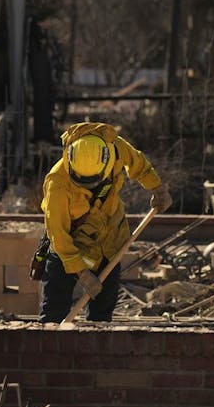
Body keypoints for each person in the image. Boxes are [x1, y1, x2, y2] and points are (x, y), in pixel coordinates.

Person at [40, 122, 172, 322]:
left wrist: (158, 190)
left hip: (108, 240)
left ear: (106, 160)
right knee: (53, 313)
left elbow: (139, 164)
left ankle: (97, 343)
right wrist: (82, 274)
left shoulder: (115, 147)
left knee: (102, 313)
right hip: (71, 248)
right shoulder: (57, 184)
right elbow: (58, 234)